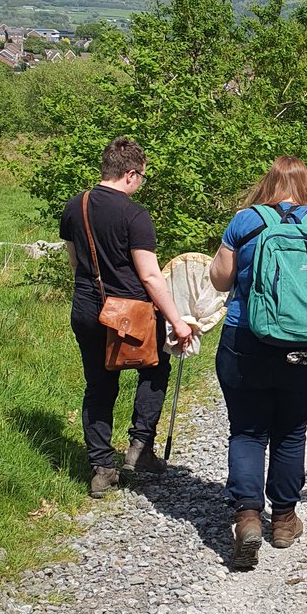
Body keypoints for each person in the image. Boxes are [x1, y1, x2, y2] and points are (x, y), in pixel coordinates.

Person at [209, 157, 307, 570]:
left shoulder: (245, 221)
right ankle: (285, 520)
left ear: (269, 183)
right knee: (291, 431)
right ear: (305, 185)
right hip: (306, 348)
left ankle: (248, 517)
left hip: (245, 341)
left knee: (248, 430)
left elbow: (220, 280)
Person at [60, 137, 195, 498]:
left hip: (88, 309)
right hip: (131, 312)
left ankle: (102, 469)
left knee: (99, 384)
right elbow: (150, 276)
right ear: (131, 174)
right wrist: (178, 322)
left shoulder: (76, 206)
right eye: (142, 178)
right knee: (154, 369)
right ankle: (140, 447)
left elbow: (75, 262)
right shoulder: (134, 215)